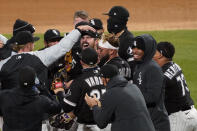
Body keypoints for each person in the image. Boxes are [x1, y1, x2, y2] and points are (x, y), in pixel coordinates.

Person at [0, 25, 95, 90]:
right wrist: (78, 30)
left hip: (9, 108)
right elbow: (62, 47)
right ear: (29, 45)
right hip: (33, 107)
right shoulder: (38, 57)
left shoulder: (3, 63)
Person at [85, 64, 155, 131]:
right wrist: (100, 107)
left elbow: (101, 123)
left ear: (106, 79)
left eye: (101, 77)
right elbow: (121, 111)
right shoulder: (134, 87)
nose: (101, 80)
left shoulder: (111, 93)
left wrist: (94, 105)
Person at [52, 47, 106, 131]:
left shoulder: (79, 81)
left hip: (88, 126)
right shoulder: (107, 76)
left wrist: (59, 92)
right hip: (107, 124)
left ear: (81, 62)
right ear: (98, 60)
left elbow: (67, 107)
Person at [0, 66, 61, 131]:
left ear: (18, 80)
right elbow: (57, 108)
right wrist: (44, 90)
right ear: (34, 81)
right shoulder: (42, 101)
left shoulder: (4, 96)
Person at [153, 41, 197, 131]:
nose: (152, 55)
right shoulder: (175, 65)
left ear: (160, 54)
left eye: (155, 52)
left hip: (178, 119)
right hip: (193, 114)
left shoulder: (163, 74)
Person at [132, 34, 170, 131]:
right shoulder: (139, 66)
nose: (134, 51)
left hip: (156, 124)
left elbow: (152, 97)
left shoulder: (153, 68)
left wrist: (129, 97)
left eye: (139, 48)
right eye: (133, 47)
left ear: (148, 49)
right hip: (146, 122)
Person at [103, 6, 135, 78]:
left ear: (116, 21)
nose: (108, 21)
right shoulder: (112, 37)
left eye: (110, 18)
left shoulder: (128, 40)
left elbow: (133, 66)